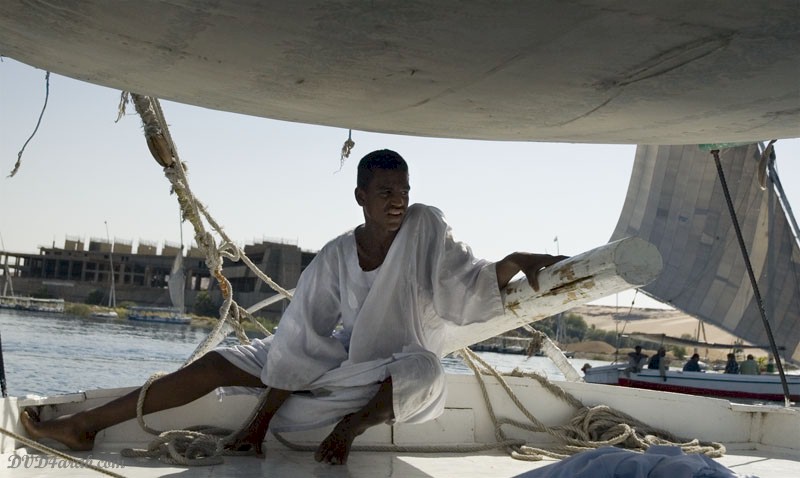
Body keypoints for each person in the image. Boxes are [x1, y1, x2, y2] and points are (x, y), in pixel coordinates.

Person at [20, 149, 566, 465]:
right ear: (360, 197)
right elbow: (301, 335)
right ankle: (85, 425)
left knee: (425, 368)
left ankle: (350, 427)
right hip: (336, 357)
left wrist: (517, 260)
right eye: (384, 192)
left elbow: (463, 284)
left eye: (403, 190)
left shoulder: (425, 226)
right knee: (216, 365)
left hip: (391, 367)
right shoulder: (334, 256)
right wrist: (258, 422)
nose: (398, 200)